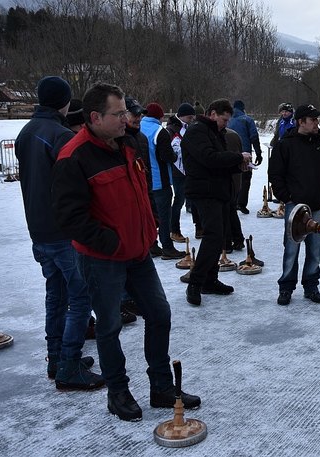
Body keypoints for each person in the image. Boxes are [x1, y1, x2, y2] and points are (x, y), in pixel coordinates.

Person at [51, 82, 200, 421]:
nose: (126, 118)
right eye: (118, 114)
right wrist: (113, 242)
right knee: (109, 326)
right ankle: (118, 391)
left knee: (159, 315)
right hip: (102, 259)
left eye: (125, 112)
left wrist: (148, 230)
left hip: (138, 253)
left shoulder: (129, 144)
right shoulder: (73, 157)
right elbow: (70, 218)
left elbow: (141, 190)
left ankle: (161, 386)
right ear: (94, 117)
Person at [15, 76, 104, 390]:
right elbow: (74, 186)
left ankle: (57, 358)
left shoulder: (26, 133)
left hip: (38, 230)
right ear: (65, 101)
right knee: (79, 296)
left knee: (56, 295)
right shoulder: (61, 136)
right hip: (62, 232)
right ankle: (67, 364)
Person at [182, 98, 252, 306]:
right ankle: (195, 282)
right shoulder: (197, 132)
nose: (226, 124)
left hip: (219, 191)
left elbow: (219, 161)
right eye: (223, 119)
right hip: (204, 191)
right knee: (213, 236)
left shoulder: (215, 132)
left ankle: (209, 280)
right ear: (212, 114)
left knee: (220, 237)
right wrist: (237, 157)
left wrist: (238, 166)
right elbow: (209, 158)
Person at [269, 104, 320, 306]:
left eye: (317, 120)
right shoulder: (285, 145)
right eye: (313, 120)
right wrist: (286, 197)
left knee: (315, 249)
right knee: (292, 248)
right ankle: (286, 287)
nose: (317, 123)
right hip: (294, 207)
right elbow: (275, 174)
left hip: (317, 206)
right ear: (301, 121)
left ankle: (311, 285)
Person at [140, 103, 186, 260]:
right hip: (160, 180)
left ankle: (152, 244)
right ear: (160, 117)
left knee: (149, 215)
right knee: (164, 216)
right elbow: (167, 156)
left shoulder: (137, 128)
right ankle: (167, 247)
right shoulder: (160, 131)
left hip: (143, 180)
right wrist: (174, 155)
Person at [166, 102, 197, 242]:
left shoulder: (185, 127)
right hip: (179, 170)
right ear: (182, 116)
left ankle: (199, 227)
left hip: (187, 169)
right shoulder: (173, 129)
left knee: (188, 199)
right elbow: (174, 151)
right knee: (178, 201)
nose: (191, 120)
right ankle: (174, 230)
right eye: (190, 117)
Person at [228, 100, 263, 215]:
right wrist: (258, 153)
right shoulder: (247, 120)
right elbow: (254, 137)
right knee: (245, 179)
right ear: (243, 108)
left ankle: (232, 201)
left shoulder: (228, 120)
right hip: (245, 154)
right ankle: (241, 203)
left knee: (232, 178)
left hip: (230, 154)